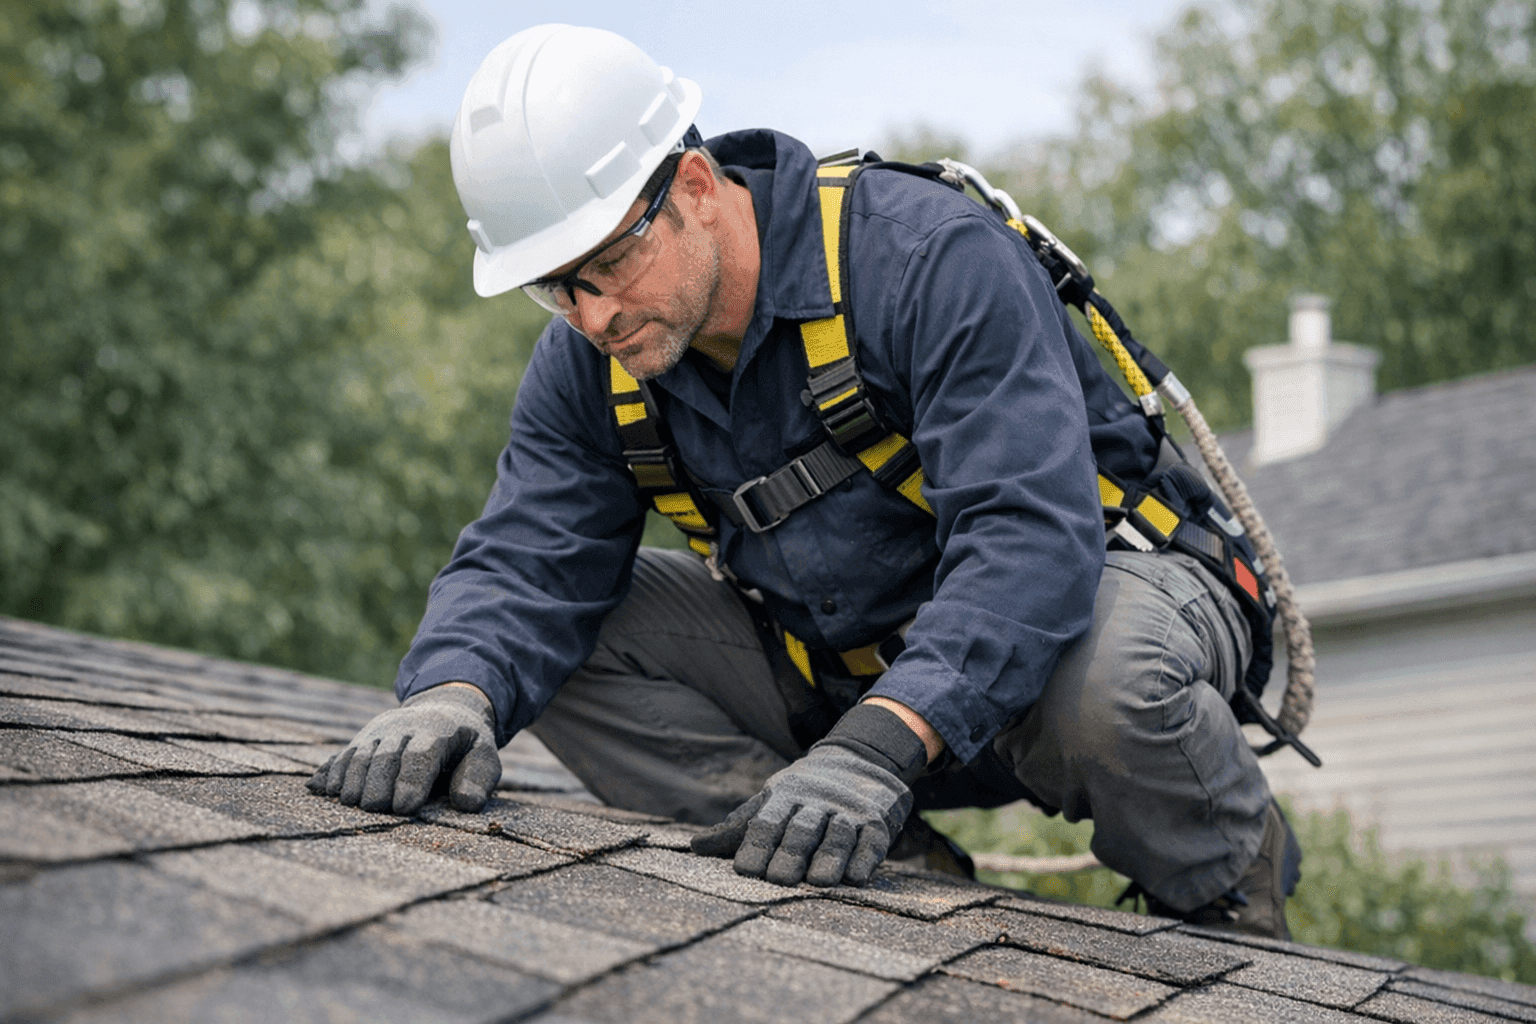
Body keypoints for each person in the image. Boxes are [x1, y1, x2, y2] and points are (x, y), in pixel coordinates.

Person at [308, 23, 1301, 939]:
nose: (591, 314)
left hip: (1088, 612)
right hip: (848, 677)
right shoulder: (588, 363)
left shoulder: (924, 262)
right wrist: (449, 691)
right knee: (549, 642)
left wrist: (879, 749)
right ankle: (849, 850)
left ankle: (1220, 885)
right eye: (553, 284)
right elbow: (526, 558)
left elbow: (1026, 544)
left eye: (607, 263)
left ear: (694, 186)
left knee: (1106, 685)